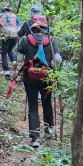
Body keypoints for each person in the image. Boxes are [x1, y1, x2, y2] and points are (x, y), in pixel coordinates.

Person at [16, 15, 62, 148]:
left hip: (29, 78)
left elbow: (19, 59)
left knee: (33, 106)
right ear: (44, 28)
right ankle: (49, 131)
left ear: (33, 27)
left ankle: (34, 138)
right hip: (46, 77)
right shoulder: (51, 40)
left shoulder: (25, 40)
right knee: (47, 103)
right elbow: (58, 60)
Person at [0, 6, 20, 76]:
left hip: (5, 35)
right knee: (10, 50)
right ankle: (13, 61)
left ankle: (6, 70)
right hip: (14, 35)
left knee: (3, 52)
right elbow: (19, 24)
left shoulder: (0, 15)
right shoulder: (14, 15)